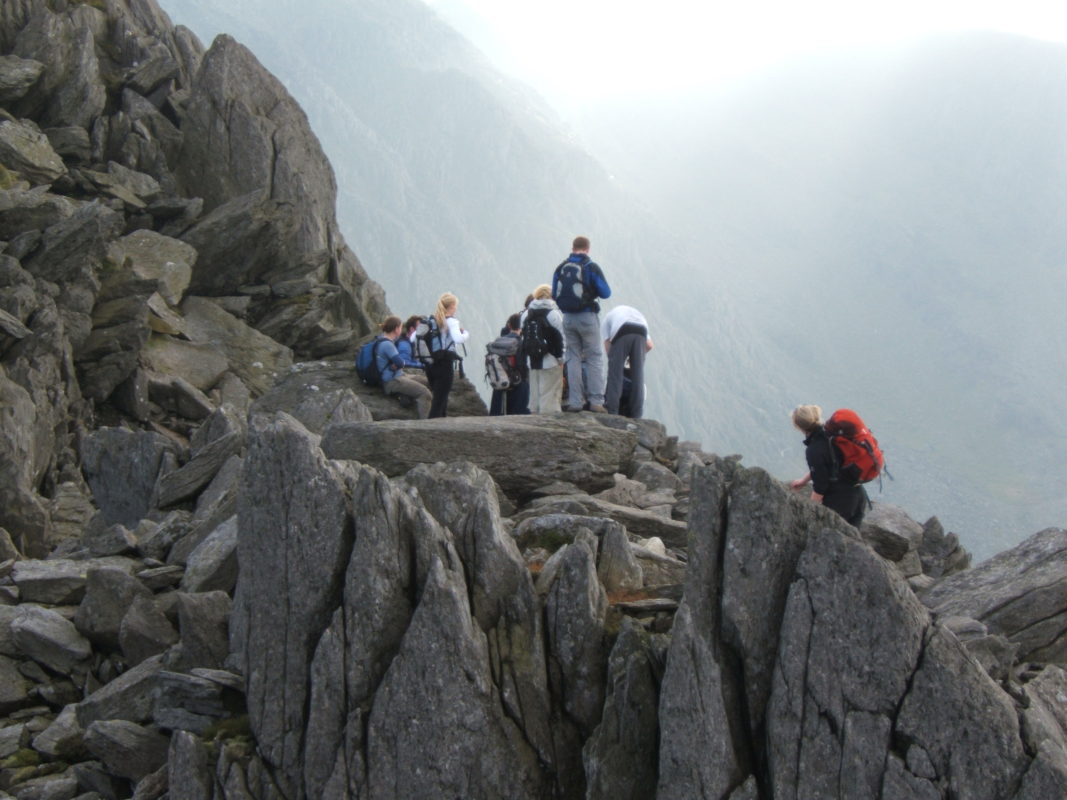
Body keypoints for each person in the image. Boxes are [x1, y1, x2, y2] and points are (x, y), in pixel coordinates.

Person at [552, 235, 611, 412]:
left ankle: (576, 401)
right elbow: (606, 292)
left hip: (568, 318)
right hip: (587, 317)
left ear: (572, 248)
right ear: (587, 249)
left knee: (573, 357)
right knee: (594, 357)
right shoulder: (590, 267)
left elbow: (555, 293)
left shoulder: (561, 268)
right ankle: (596, 401)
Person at [789, 404, 868, 527]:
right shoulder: (833, 435)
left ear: (799, 427)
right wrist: (803, 481)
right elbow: (827, 466)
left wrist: (809, 514)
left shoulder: (814, 450)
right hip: (858, 495)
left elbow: (820, 486)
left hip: (840, 502)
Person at [601, 304, 653, 418]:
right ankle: (637, 414)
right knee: (638, 376)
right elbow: (649, 346)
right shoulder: (638, 317)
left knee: (615, 374)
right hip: (641, 331)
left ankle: (612, 410)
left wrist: (617, 361)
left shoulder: (608, 318)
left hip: (622, 330)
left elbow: (608, 348)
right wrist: (632, 360)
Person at [521, 284, 566, 413]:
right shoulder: (554, 314)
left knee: (534, 398)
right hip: (551, 362)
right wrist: (561, 360)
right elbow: (561, 338)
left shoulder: (526, 315)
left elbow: (524, 339)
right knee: (550, 398)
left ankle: (534, 422)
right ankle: (548, 425)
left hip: (532, 362)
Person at [376, 316, 432, 419]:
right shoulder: (388, 344)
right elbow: (401, 363)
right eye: (401, 327)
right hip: (392, 381)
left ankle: (405, 395)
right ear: (396, 329)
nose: (402, 330)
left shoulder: (382, 339)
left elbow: (397, 363)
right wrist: (395, 365)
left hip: (399, 374)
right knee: (425, 393)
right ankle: (426, 424)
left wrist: (394, 365)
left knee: (430, 381)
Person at [425, 292, 469, 418]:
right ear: (452, 306)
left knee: (439, 397)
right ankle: (432, 428)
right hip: (444, 363)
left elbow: (413, 338)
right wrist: (465, 333)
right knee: (439, 401)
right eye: (456, 306)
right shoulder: (452, 322)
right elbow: (458, 339)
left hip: (430, 364)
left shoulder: (431, 320)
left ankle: (441, 424)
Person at [489, 313, 530, 416]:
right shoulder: (521, 343)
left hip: (500, 382)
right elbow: (523, 366)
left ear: (509, 326)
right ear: (521, 327)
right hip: (518, 385)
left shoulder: (498, 341)